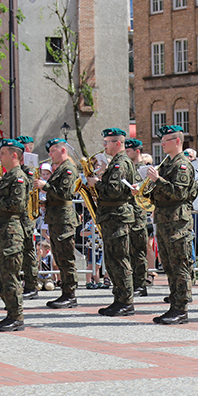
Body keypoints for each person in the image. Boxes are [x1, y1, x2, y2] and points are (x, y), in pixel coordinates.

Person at [147, 125, 197, 324]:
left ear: (177, 142)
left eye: (166, 140)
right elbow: (159, 192)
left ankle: (181, 309)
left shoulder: (182, 165)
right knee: (168, 265)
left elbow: (179, 193)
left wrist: (157, 180)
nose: (162, 144)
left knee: (180, 265)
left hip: (178, 222)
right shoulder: (167, 164)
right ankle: (174, 305)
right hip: (165, 220)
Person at [0, 139, 29, 331]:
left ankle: (16, 316)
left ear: (14, 155)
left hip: (10, 233)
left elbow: (17, 205)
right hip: (0, 232)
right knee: (1, 277)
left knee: (9, 276)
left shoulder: (18, 177)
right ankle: (10, 313)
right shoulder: (6, 176)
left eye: (3, 153)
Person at [90, 128, 137, 317]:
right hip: (111, 217)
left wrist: (96, 183)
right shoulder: (116, 163)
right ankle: (119, 299)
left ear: (117, 143)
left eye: (107, 142)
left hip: (117, 217)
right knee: (112, 260)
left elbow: (115, 190)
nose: (104, 146)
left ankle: (126, 301)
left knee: (119, 259)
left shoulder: (121, 163)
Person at [34, 137, 80, 308]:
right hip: (56, 217)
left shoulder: (68, 168)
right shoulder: (60, 168)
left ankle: (70, 294)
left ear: (62, 150)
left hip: (64, 219)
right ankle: (66, 293)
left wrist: (45, 186)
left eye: (53, 150)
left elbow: (64, 193)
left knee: (66, 257)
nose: (50, 154)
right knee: (60, 257)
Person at [124, 138, 150, 297]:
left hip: (139, 215)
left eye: (129, 151)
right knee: (129, 251)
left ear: (137, 151)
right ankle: (133, 282)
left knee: (139, 251)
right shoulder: (129, 168)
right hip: (128, 214)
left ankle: (141, 284)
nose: (126, 154)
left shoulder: (145, 169)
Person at [16, 135, 40, 298]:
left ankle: (31, 285)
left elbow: (27, 189)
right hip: (19, 214)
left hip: (25, 215)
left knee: (27, 251)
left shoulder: (29, 169)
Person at [183, 147, 198, 259]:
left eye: (191, 156)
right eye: (186, 156)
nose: (189, 158)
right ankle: (192, 261)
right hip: (188, 206)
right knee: (189, 236)